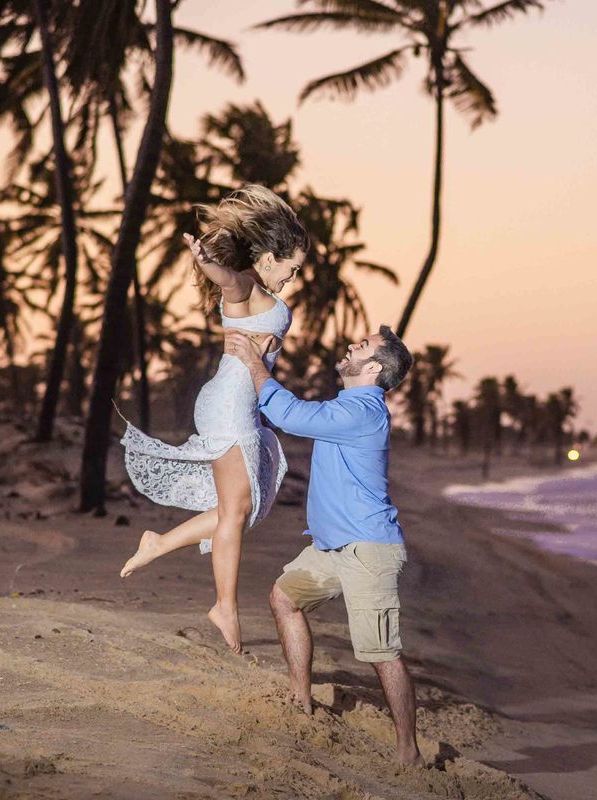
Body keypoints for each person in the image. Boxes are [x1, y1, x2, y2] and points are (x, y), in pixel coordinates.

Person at [118, 185, 308, 655]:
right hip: (228, 404)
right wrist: (204, 261)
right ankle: (224, 605)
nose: (293, 276)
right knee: (236, 512)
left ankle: (159, 545)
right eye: (292, 266)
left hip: (232, 401)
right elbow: (226, 279)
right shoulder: (244, 283)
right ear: (269, 257)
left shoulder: (259, 289)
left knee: (238, 511)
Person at [224, 325, 422, 766]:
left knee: (381, 653)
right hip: (332, 546)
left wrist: (254, 362)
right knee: (284, 598)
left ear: (372, 367)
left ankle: (408, 751)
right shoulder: (347, 405)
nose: (353, 344)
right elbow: (298, 410)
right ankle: (301, 699)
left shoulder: (365, 412)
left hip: (368, 550)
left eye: (363, 345)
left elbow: (292, 415)